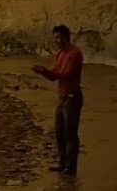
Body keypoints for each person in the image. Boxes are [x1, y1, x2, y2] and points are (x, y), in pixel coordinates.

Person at [34, 24, 85, 174]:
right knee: (59, 132)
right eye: (54, 37)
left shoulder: (75, 53)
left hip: (72, 97)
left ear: (66, 37)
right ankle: (62, 164)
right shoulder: (59, 54)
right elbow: (54, 76)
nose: (56, 40)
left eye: (58, 37)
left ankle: (71, 167)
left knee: (70, 133)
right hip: (62, 97)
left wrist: (46, 71)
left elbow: (66, 74)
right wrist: (43, 72)